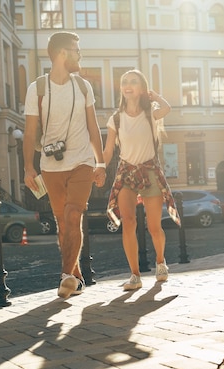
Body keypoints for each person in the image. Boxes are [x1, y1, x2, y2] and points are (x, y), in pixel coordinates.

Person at [23, 31, 106, 299]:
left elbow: (94, 128)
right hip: (50, 166)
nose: (80, 56)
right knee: (62, 223)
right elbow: (29, 131)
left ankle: (65, 276)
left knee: (73, 215)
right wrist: (28, 167)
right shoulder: (36, 89)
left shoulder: (83, 87)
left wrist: (101, 162)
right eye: (76, 51)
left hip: (82, 162)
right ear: (62, 54)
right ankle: (76, 276)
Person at [103, 69, 180, 291]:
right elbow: (108, 151)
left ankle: (160, 262)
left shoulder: (151, 114)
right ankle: (135, 276)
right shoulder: (115, 119)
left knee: (154, 226)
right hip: (126, 173)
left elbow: (167, 108)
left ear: (141, 88)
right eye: (124, 82)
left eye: (133, 81)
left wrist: (154, 97)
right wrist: (98, 168)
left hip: (150, 172)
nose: (128, 85)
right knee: (129, 222)